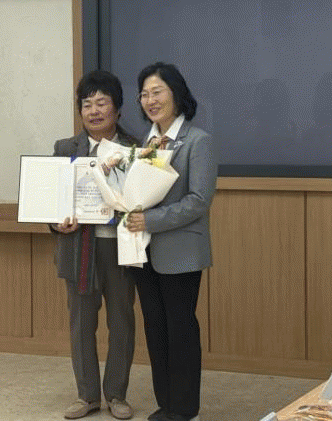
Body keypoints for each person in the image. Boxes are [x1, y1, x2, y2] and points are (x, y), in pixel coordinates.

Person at [125, 62, 215, 421]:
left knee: (180, 328)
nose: (150, 100)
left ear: (176, 94)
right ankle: (167, 404)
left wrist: (151, 219)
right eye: (144, 94)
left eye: (157, 92)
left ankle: (185, 409)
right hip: (142, 250)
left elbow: (198, 201)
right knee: (155, 327)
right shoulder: (144, 144)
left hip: (181, 251)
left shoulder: (198, 141)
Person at [52, 70, 137, 420]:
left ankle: (116, 394)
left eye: (102, 102)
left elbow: (146, 198)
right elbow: (52, 201)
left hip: (121, 250)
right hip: (79, 250)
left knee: (121, 322)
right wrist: (57, 223)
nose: (94, 111)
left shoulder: (135, 149)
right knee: (81, 324)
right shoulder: (65, 149)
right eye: (87, 104)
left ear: (117, 108)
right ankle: (87, 396)